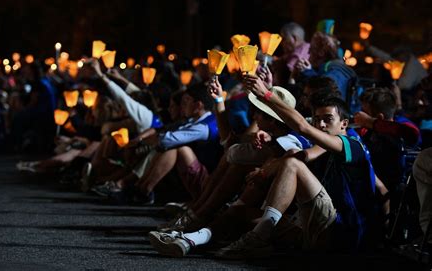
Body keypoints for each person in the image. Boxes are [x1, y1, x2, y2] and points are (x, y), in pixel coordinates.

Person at [148, 75, 376, 258]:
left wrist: (266, 93)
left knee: (289, 165)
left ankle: (251, 238)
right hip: (309, 224)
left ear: (344, 124)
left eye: (328, 119)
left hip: (338, 231)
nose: (321, 124)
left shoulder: (351, 143)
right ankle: (193, 238)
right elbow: (380, 188)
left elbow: (299, 140)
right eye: (317, 119)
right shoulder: (317, 142)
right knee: (240, 212)